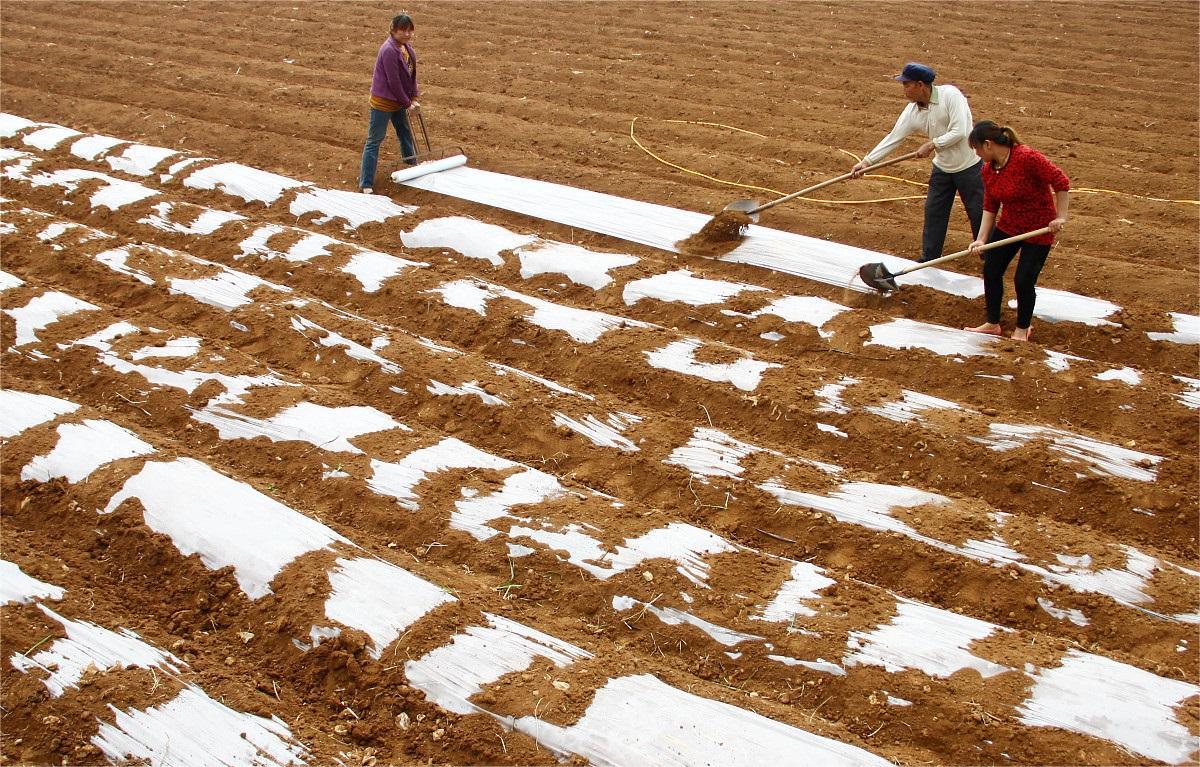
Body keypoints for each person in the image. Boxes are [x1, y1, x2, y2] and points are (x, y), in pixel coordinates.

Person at [851, 62, 983, 263]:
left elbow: (961, 131)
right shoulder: (913, 111)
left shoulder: (951, 96)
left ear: (921, 85)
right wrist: (867, 162)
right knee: (934, 212)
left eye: (907, 85)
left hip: (969, 166)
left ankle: (988, 254)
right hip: (943, 167)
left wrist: (932, 144)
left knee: (977, 211)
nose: (904, 89)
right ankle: (930, 258)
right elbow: (894, 137)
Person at [963, 121, 1070, 342]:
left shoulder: (1027, 158)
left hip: (1038, 229)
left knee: (1023, 279)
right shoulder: (988, 170)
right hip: (1010, 226)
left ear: (988, 145)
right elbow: (990, 206)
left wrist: (1060, 217)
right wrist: (981, 238)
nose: (976, 154)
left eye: (977, 149)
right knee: (991, 269)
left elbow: (1060, 182)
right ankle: (992, 323)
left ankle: (1023, 328)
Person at [359, 14, 421, 194]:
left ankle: (412, 165)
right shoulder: (388, 50)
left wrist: (414, 97)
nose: (407, 34)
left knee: (404, 132)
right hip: (383, 103)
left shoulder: (406, 48)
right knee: (375, 140)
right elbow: (393, 82)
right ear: (393, 30)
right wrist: (407, 103)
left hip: (399, 100)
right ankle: (366, 183)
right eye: (403, 30)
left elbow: (411, 76)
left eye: (410, 30)